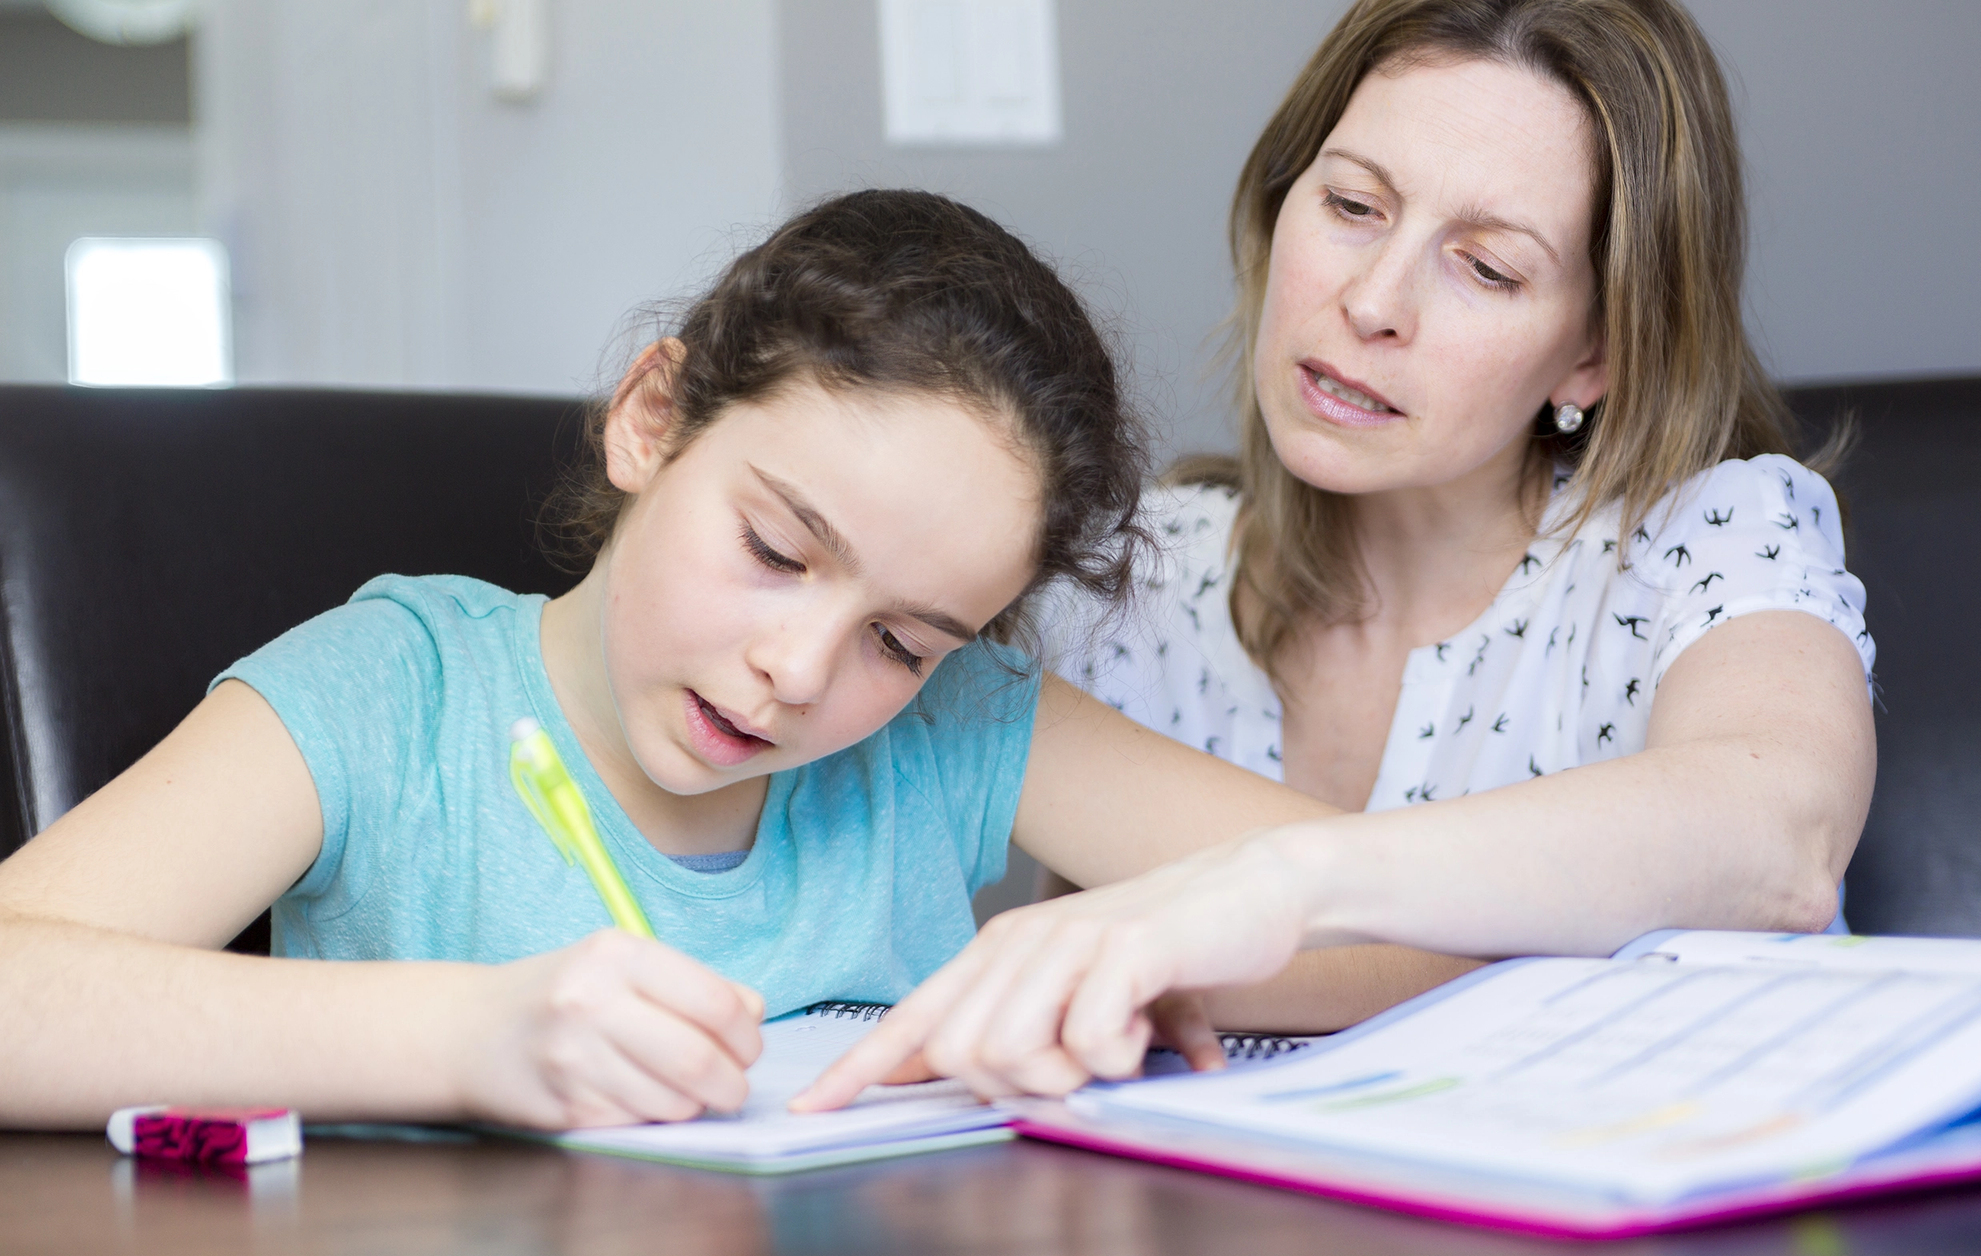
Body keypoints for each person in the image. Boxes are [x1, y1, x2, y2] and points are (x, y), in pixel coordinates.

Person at [0, 190, 1334, 1131]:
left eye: (902, 640)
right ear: (651, 420)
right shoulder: (392, 693)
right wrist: (464, 1040)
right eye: (774, 546)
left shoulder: (958, 724)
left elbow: (1403, 920)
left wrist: (1121, 956)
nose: (801, 669)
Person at [799, 0, 1876, 1111]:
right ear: (1279, 210)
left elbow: (1780, 836)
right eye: (1352, 205)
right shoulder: (1132, 588)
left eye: (1486, 269)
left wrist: (1279, 886)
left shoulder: (1711, 537)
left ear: (1593, 350)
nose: (1370, 302)